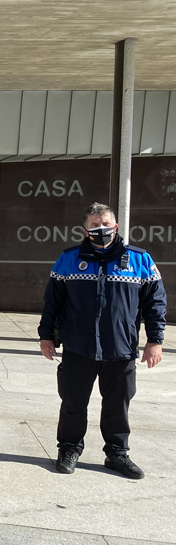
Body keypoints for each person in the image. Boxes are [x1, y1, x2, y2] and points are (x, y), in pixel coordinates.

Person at [39, 202, 166, 479]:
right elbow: (52, 302)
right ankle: (69, 448)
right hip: (78, 346)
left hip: (119, 348)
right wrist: (45, 336)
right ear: (85, 230)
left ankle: (117, 454)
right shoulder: (68, 259)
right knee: (73, 402)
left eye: (106, 224)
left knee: (118, 404)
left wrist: (155, 340)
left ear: (116, 226)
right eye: (95, 225)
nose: (101, 229)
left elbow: (155, 304)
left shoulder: (140, 260)